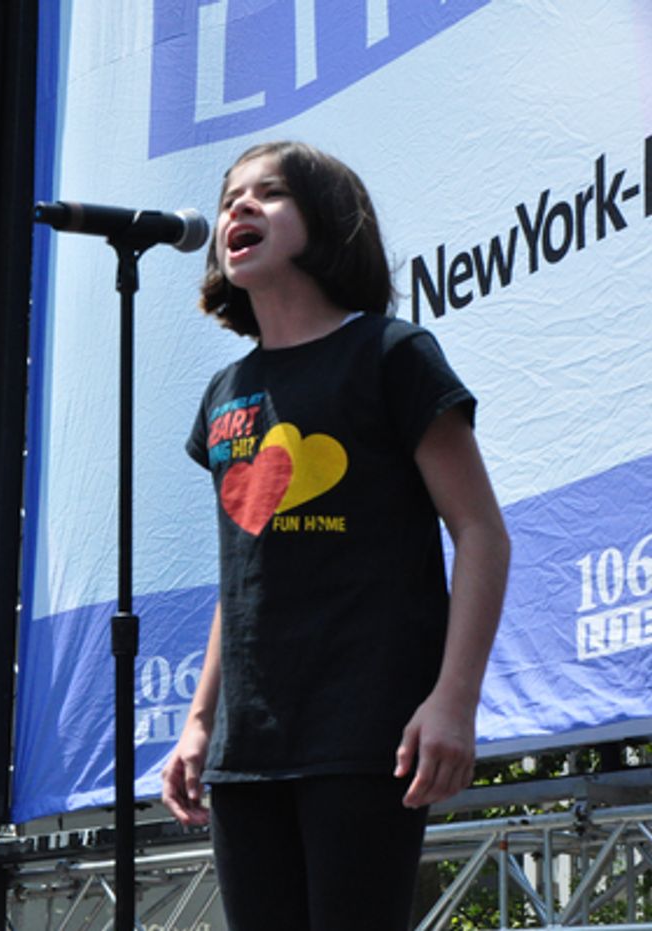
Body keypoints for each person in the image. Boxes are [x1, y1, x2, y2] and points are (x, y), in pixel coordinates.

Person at [159, 141, 510, 930]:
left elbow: (481, 533)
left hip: (366, 731)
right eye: (230, 198)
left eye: (270, 193)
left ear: (328, 221)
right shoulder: (225, 393)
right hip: (247, 749)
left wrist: (453, 700)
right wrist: (200, 720)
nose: (240, 207)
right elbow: (242, 569)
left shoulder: (391, 353)